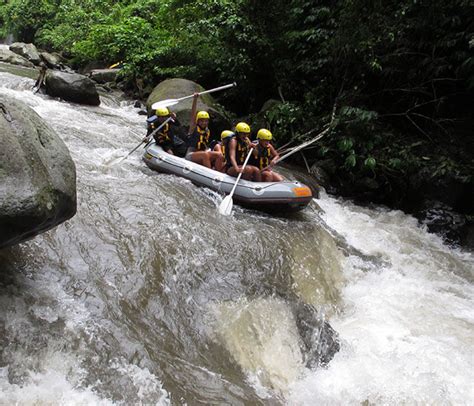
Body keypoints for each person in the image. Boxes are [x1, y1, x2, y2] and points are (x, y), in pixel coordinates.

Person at [185, 93, 222, 168]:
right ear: (197, 121)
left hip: (203, 152)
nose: (204, 123)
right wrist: (195, 99)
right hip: (191, 154)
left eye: (205, 121)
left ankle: (219, 172)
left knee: (219, 155)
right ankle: (210, 173)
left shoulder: (207, 130)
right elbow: (193, 114)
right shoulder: (193, 128)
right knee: (205, 155)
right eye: (201, 121)